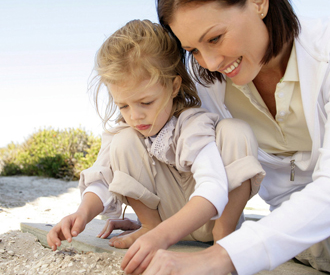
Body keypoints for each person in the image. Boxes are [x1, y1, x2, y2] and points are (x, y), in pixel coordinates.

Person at [133, 0, 330, 274]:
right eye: (193, 50)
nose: (211, 62)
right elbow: (159, 135)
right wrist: (150, 217)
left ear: (257, 1)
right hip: (304, 208)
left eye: (215, 38)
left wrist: (218, 258)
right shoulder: (204, 85)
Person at [46, 19, 265, 275]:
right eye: (124, 106)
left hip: (212, 217)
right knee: (123, 141)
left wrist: (163, 237)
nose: (135, 116)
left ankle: (223, 239)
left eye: (146, 102)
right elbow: (101, 178)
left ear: (173, 86)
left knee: (236, 131)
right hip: (162, 222)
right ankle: (148, 226)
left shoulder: (192, 122)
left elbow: (213, 188)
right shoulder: (126, 131)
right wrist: (82, 214)